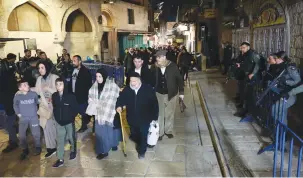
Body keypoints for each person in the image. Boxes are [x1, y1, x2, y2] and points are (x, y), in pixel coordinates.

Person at [116, 72, 159, 159]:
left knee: (143, 135)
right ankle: (139, 142)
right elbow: (120, 99)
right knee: (135, 135)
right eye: (131, 81)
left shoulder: (148, 89)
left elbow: (155, 104)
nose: (132, 83)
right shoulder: (127, 90)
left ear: (139, 81)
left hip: (145, 118)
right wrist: (119, 106)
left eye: (134, 81)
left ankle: (142, 151)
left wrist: (154, 117)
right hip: (132, 118)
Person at [88, 68, 121, 160]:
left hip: (109, 111)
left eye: (100, 76)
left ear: (104, 77)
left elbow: (116, 96)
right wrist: (93, 101)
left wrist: (116, 106)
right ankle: (103, 151)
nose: (98, 78)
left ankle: (113, 144)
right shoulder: (95, 86)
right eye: (96, 76)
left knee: (111, 131)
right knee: (100, 133)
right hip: (99, 113)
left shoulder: (112, 85)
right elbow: (90, 95)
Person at [153, 50, 184, 140]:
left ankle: (168, 130)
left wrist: (181, 92)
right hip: (158, 93)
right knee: (160, 114)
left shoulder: (173, 66)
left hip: (171, 94)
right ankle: (160, 132)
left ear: (164, 57)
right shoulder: (155, 67)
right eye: (156, 57)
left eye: (158, 57)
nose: (157, 59)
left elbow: (179, 79)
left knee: (169, 113)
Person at [52, 77, 79, 168]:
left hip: (69, 122)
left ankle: (73, 151)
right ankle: (60, 159)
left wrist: (70, 117)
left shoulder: (71, 96)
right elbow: (55, 107)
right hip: (59, 122)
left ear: (64, 85)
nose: (58, 86)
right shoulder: (54, 96)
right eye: (57, 84)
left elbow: (75, 109)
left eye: (60, 84)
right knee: (60, 140)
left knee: (71, 137)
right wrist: (56, 117)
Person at [34, 60, 59, 158]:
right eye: (39, 68)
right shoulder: (39, 79)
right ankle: (51, 148)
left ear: (47, 67)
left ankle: (58, 144)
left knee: (56, 127)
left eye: (42, 67)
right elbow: (37, 92)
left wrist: (49, 90)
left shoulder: (54, 77)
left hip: (55, 106)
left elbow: (60, 91)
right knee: (46, 127)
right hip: (45, 107)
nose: (40, 70)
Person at [13, 79, 41, 160]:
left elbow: (37, 102)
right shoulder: (17, 97)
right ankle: (25, 150)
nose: (27, 86)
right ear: (20, 88)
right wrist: (18, 114)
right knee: (21, 135)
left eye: (27, 84)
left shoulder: (33, 94)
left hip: (33, 117)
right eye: (24, 85)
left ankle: (38, 147)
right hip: (23, 119)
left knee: (36, 133)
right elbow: (15, 105)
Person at [1, 53, 19, 153]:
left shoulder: (4, 73)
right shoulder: (8, 72)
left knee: (9, 121)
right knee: (11, 120)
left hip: (8, 100)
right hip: (10, 99)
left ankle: (13, 141)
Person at [70, 55, 92, 133]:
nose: (73, 62)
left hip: (82, 96)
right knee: (73, 112)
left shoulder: (85, 71)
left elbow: (89, 85)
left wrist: (87, 96)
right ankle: (73, 127)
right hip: (74, 95)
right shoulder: (73, 70)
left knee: (83, 112)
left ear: (80, 61)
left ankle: (84, 126)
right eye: (72, 61)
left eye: (75, 61)